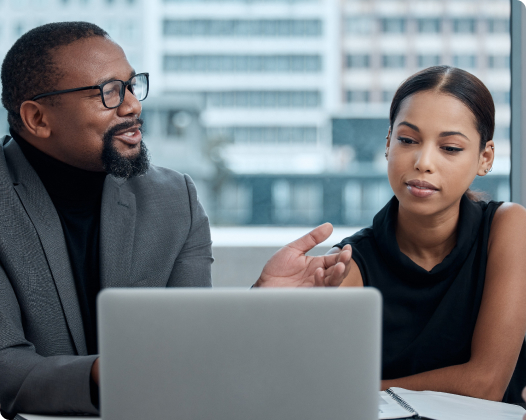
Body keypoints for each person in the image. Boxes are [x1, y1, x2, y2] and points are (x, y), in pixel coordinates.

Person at [0, 22, 352, 418]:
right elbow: (6, 369)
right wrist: (110, 372)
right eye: (109, 92)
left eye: (133, 86)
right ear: (37, 119)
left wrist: (261, 308)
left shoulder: (172, 200)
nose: (133, 106)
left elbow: (192, 350)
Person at [333, 65, 526, 405]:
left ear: (485, 157)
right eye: (408, 140)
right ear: (388, 143)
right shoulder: (349, 263)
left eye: (450, 147)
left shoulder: (509, 227)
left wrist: (371, 388)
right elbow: (306, 384)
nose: (423, 162)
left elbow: (485, 385)